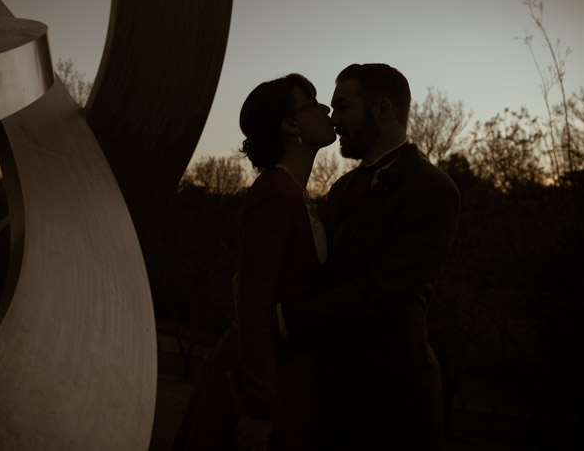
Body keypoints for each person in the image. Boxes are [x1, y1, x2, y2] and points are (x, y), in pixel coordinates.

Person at [280, 63, 460, 450]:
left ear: (381, 110)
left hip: (390, 406)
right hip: (329, 398)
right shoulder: (342, 188)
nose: (335, 119)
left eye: (343, 107)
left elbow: (383, 293)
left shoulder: (433, 190)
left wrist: (285, 316)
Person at [172, 73, 336, 451]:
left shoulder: (294, 193)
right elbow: (254, 303)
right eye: (311, 101)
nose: (324, 107)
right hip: (259, 381)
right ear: (291, 124)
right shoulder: (274, 193)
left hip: (287, 374)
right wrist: (260, 404)